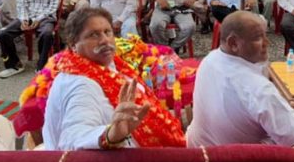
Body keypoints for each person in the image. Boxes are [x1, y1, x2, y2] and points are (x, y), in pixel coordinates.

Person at [35, 8, 185, 150]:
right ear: (73, 44)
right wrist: (111, 135)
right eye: (94, 35)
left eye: (108, 32)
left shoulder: (110, 66)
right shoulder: (80, 83)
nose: (105, 40)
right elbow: (74, 136)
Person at [187, 11, 294, 148]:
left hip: (200, 152)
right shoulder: (259, 90)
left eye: (265, 35)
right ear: (233, 43)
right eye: (258, 38)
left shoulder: (210, 60)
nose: (267, 43)